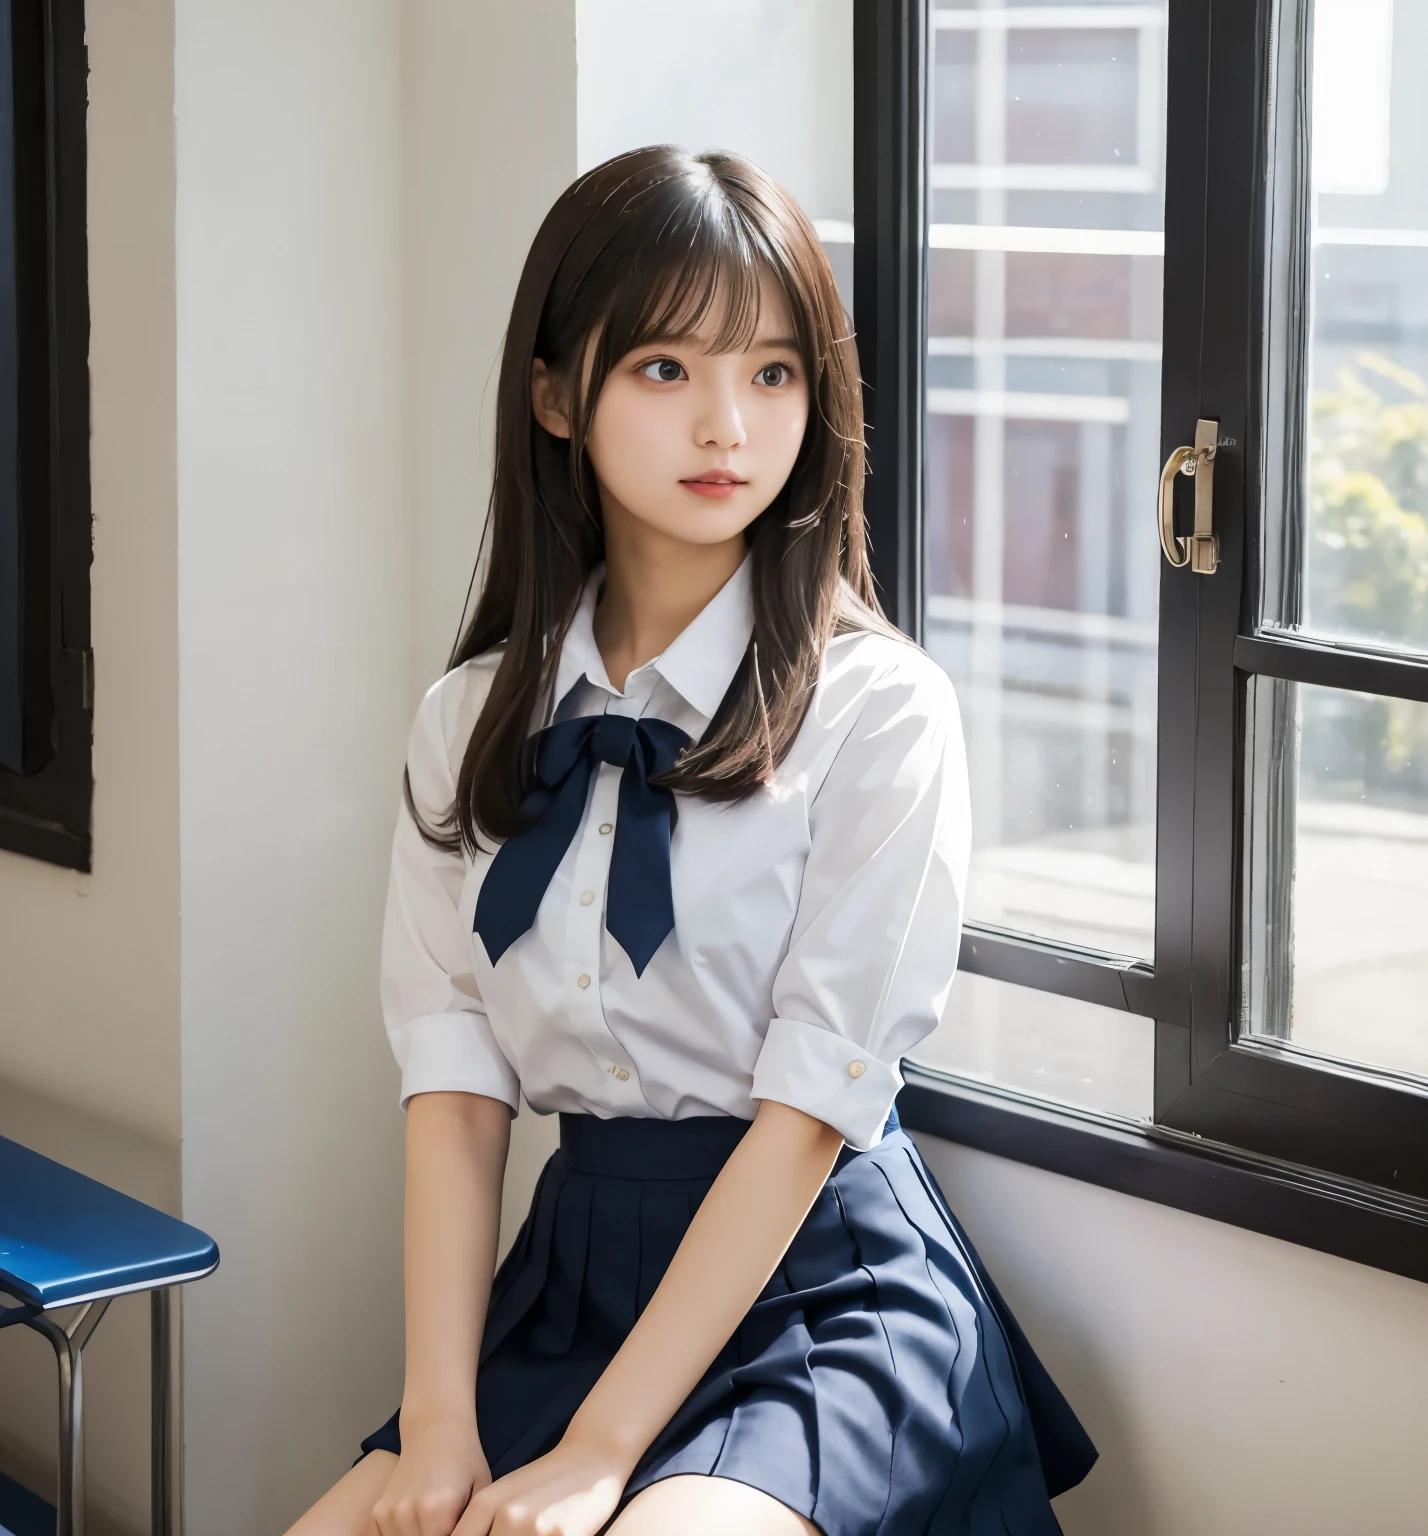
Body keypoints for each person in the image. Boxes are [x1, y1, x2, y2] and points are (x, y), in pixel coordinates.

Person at [286, 145, 1096, 1536]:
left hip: (825, 1291)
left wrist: (604, 1451)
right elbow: (455, 1086)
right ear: (555, 394)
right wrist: (436, 1426)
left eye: (774, 372)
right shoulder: (470, 720)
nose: (729, 422)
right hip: (579, 1276)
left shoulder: (879, 710)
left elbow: (807, 1111)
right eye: (667, 369)